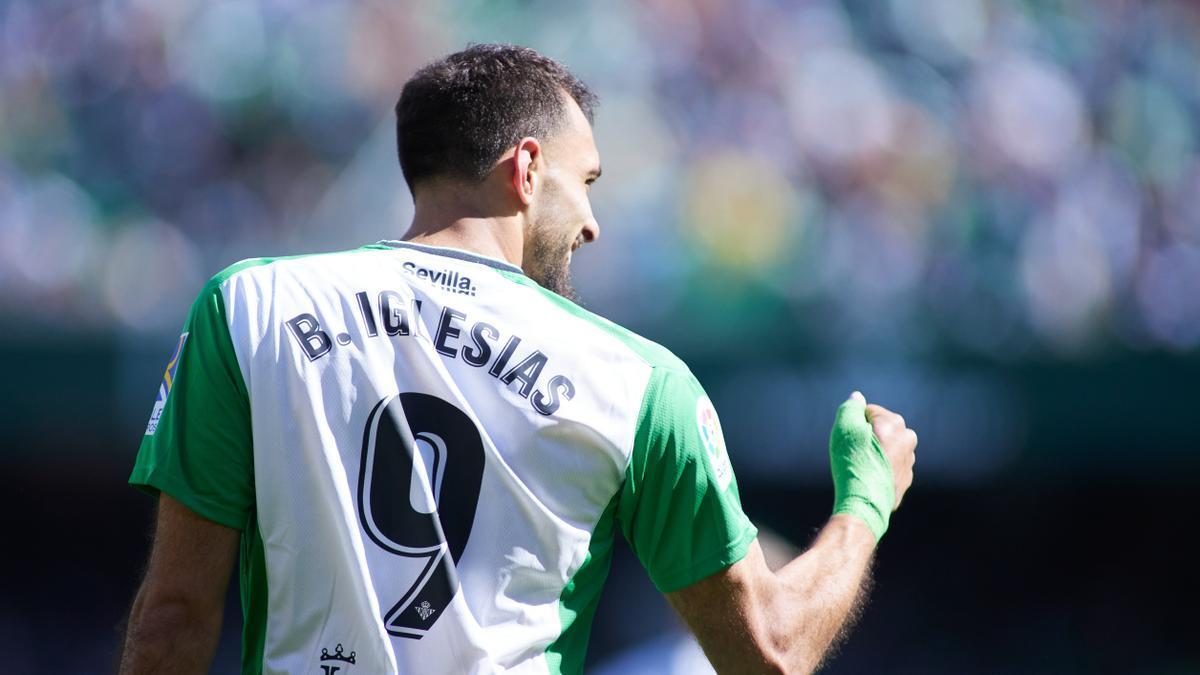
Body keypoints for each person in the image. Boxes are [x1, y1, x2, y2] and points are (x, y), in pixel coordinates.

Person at [119, 44, 917, 674]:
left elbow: (172, 622)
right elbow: (771, 651)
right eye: (589, 181)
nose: (593, 223)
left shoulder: (249, 308)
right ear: (528, 168)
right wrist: (865, 501)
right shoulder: (635, 380)